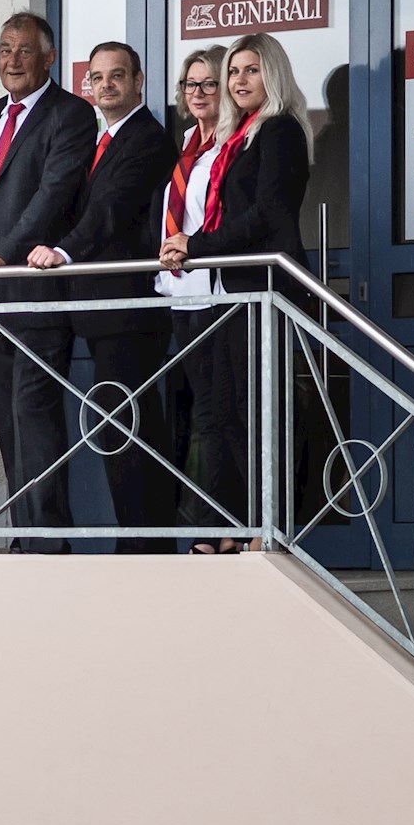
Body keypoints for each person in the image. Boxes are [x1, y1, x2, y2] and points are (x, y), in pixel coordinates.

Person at [155, 37, 313, 550]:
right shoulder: (239, 134)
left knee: (259, 413)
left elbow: (267, 214)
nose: (239, 81)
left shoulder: (281, 129)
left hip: (261, 289)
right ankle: (232, 527)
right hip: (232, 292)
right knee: (225, 413)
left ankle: (271, 531)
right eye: (235, 73)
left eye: (252, 70)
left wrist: (196, 245)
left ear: (274, 75)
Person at [24, 41, 173, 548]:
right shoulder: (96, 138)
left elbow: (110, 209)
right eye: (97, 77)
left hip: (129, 310)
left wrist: (64, 252)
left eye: (117, 76)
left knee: (130, 430)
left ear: (139, 80)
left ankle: (145, 546)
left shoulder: (147, 138)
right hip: (96, 309)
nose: (105, 85)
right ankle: (135, 541)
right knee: (115, 430)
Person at [0, 9, 96, 547]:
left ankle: (49, 539)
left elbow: (51, 198)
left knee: (33, 415)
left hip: (33, 288)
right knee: (7, 421)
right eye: (3, 49)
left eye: (23, 50)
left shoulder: (71, 115)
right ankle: (24, 535)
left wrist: (4, 253)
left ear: (49, 57)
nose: (12, 60)